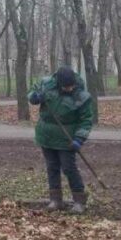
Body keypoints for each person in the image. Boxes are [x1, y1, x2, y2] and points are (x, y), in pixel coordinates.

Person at [28, 66, 95, 214]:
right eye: (66, 86)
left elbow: (86, 120)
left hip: (67, 138)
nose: (69, 89)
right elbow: (32, 94)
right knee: (52, 167)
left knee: (69, 168)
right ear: (58, 83)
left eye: (71, 86)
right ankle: (55, 200)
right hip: (46, 136)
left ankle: (79, 201)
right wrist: (34, 97)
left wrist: (79, 139)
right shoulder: (46, 85)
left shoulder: (82, 96)